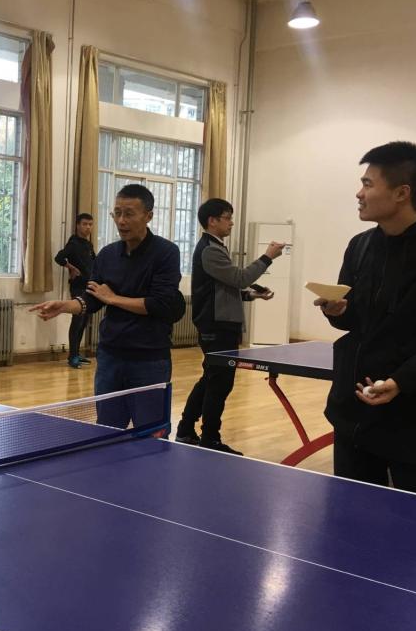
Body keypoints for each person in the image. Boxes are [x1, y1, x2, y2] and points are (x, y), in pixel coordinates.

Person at [316, 141, 416, 498]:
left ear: (402, 193)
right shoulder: (359, 246)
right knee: (352, 517)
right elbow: (354, 321)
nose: (359, 194)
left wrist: (401, 382)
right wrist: (338, 311)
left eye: (368, 184)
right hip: (353, 416)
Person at [31, 184, 180, 428]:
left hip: (149, 359)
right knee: (107, 430)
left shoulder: (166, 253)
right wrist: (65, 306)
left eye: (129, 214)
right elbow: (93, 298)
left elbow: (159, 304)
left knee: (151, 433)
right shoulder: (107, 254)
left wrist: (113, 299)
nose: (121, 221)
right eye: (117, 213)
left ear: (148, 216)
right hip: (110, 357)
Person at [175, 198, 286, 455]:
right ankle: (210, 438)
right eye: (227, 217)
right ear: (212, 221)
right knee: (220, 383)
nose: (232, 223)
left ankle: (186, 429)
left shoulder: (215, 247)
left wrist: (252, 295)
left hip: (220, 325)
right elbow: (240, 278)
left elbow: (224, 288)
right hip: (217, 327)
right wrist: (267, 257)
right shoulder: (210, 250)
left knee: (211, 379)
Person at [54, 212, 96, 368]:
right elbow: (59, 258)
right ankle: (72, 357)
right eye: (85, 224)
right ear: (78, 225)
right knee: (77, 321)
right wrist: (71, 268)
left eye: (90, 224)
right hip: (78, 287)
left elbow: (94, 262)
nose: (88, 227)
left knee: (84, 321)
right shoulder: (73, 243)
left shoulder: (88, 244)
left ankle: (77, 353)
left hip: (89, 286)